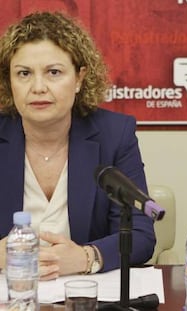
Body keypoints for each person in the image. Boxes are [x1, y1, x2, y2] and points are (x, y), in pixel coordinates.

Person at [0, 11, 156, 280]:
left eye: (54, 72)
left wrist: (87, 256)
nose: (38, 87)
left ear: (79, 78)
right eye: (24, 73)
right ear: (9, 81)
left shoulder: (114, 135)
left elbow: (141, 235)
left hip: (83, 295)